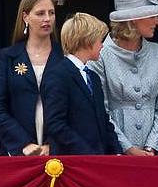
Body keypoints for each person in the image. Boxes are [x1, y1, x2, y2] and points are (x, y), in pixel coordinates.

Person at [90, 0, 158, 156]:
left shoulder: (157, 52)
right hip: (117, 152)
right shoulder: (101, 54)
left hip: (157, 154)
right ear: (134, 18)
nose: (157, 22)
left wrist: (152, 147)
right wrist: (128, 149)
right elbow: (100, 109)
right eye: (152, 16)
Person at [0, 0, 66, 156]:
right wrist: (23, 144)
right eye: (40, 13)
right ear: (25, 17)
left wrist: (53, 145)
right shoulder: (8, 57)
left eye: (51, 13)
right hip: (18, 151)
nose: (47, 19)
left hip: (57, 151)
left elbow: (73, 108)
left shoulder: (64, 56)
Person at [42, 13, 121, 155]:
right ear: (88, 41)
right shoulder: (57, 75)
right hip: (73, 164)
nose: (102, 45)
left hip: (98, 161)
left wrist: (117, 152)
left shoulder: (94, 77)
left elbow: (104, 120)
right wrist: (86, 152)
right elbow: (55, 124)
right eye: (99, 40)